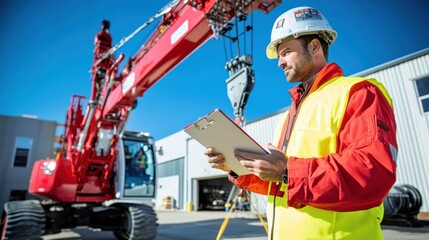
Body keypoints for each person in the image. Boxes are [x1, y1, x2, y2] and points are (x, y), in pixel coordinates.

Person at [206, 6, 397, 240]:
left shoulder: (359, 92)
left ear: (314, 46)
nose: (280, 62)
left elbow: (373, 174)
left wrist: (286, 170)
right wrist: (235, 165)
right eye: (279, 56)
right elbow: (279, 185)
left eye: (286, 52)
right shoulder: (290, 116)